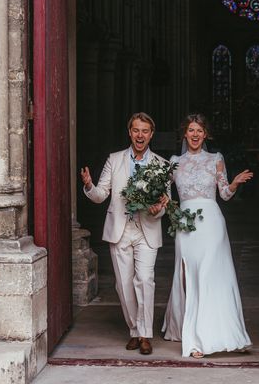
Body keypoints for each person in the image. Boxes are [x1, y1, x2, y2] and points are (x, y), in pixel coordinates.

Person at [162, 114, 253, 358]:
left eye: (199, 130)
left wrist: (233, 184)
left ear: (205, 135)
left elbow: (224, 194)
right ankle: (191, 331)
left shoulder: (216, 159)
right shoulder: (174, 162)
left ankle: (208, 335)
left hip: (211, 222)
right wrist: (170, 209)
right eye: (191, 130)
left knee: (210, 273)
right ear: (185, 134)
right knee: (189, 274)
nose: (194, 134)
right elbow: (166, 195)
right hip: (185, 224)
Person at [80, 112, 169, 355]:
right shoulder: (115, 159)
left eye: (145, 131)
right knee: (123, 284)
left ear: (151, 135)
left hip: (147, 230)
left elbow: (165, 203)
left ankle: (145, 334)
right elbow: (101, 194)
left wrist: (157, 208)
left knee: (145, 281)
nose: (140, 135)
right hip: (120, 229)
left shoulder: (161, 165)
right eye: (136, 130)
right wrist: (89, 185)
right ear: (130, 132)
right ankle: (134, 330)